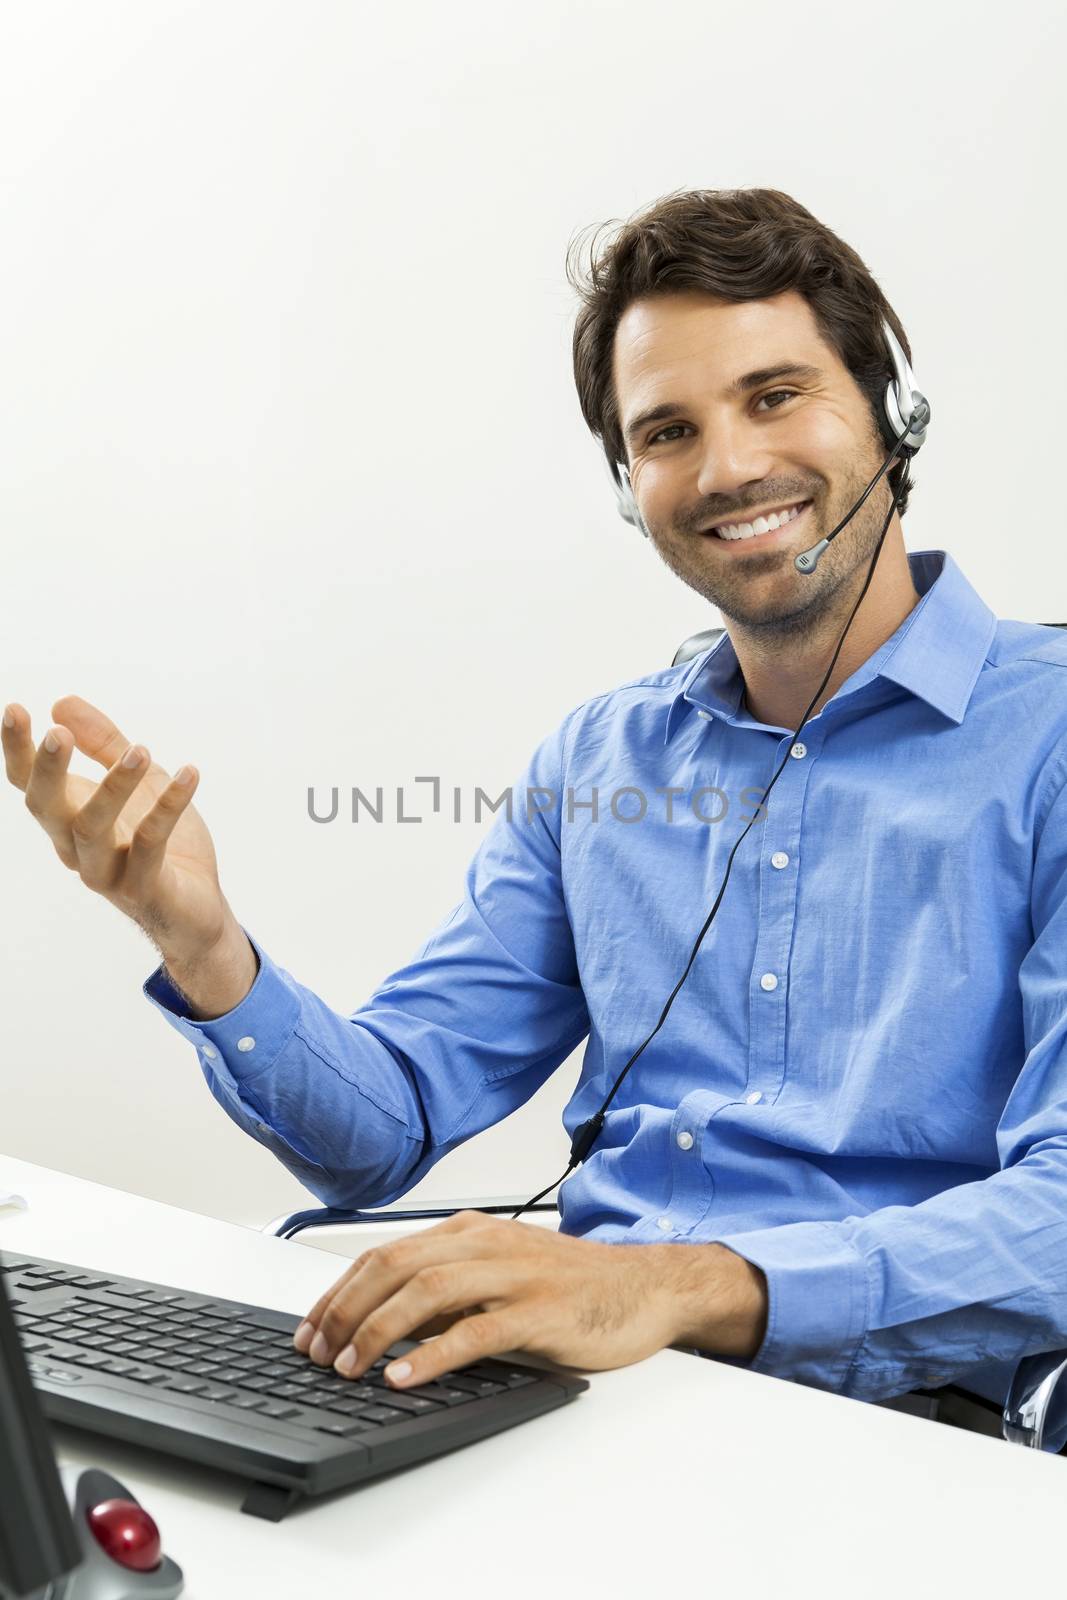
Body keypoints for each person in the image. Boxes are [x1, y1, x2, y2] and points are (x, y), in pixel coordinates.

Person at [6, 188, 1067, 1427]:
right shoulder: (598, 757)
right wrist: (206, 948)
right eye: (665, 430)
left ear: (892, 414)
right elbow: (384, 1126)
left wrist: (675, 1286)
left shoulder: (1043, 740)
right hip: (584, 1386)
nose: (727, 466)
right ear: (630, 485)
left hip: (902, 1418)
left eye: (774, 396)